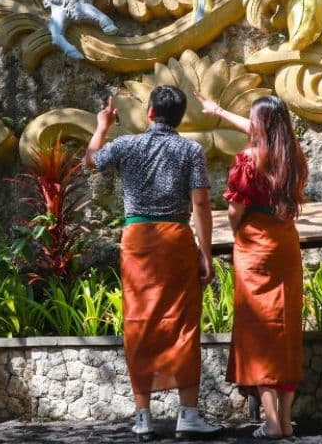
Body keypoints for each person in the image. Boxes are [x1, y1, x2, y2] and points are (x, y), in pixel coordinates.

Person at [86, 85, 222, 441]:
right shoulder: (191, 150)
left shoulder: (126, 145)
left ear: (149, 113)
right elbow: (200, 205)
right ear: (180, 117)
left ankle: (143, 416)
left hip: (139, 241)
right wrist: (206, 254)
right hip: (176, 240)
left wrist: (102, 126)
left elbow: (91, 160)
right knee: (183, 323)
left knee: (139, 322)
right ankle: (188, 414)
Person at [198, 94, 308, 439]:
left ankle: (271, 422)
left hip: (255, 247)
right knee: (285, 329)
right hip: (285, 244)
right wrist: (219, 111)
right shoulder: (293, 155)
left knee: (258, 331)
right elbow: (263, 132)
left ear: (260, 125)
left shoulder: (248, 160)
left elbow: (236, 210)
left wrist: (237, 232)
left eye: (252, 118)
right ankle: (285, 420)